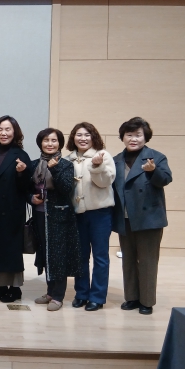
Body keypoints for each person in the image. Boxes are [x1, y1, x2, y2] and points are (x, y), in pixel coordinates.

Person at [112, 117, 172, 316]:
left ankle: (146, 301)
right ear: (123, 137)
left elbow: (166, 179)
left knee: (147, 261)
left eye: (138, 135)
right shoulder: (116, 160)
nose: (133, 139)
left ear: (145, 137)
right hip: (125, 218)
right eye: (129, 135)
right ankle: (132, 297)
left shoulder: (156, 157)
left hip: (149, 219)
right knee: (128, 260)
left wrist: (153, 171)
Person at [65, 122, 116, 312]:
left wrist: (97, 166)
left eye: (87, 135)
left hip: (100, 214)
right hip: (77, 214)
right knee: (80, 257)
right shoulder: (68, 159)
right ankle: (81, 294)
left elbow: (105, 182)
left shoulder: (103, 156)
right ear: (73, 138)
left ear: (93, 137)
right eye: (79, 135)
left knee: (100, 257)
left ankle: (97, 297)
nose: (83, 138)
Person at [30, 128, 81, 312]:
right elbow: (27, 188)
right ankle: (50, 292)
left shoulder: (65, 165)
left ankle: (58, 296)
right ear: (40, 143)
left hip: (59, 215)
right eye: (46, 140)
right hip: (39, 215)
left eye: (54, 140)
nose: (50, 144)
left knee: (58, 255)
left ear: (60, 143)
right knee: (46, 254)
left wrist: (55, 168)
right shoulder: (35, 164)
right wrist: (30, 198)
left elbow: (66, 188)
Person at [0, 116, 32, 304]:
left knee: (12, 251)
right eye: (0, 129)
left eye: (8, 129)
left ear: (15, 132)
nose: (3, 133)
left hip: (12, 211)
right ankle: (1, 287)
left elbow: (27, 187)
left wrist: (22, 173)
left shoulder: (21, 155)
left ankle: (15, 288)